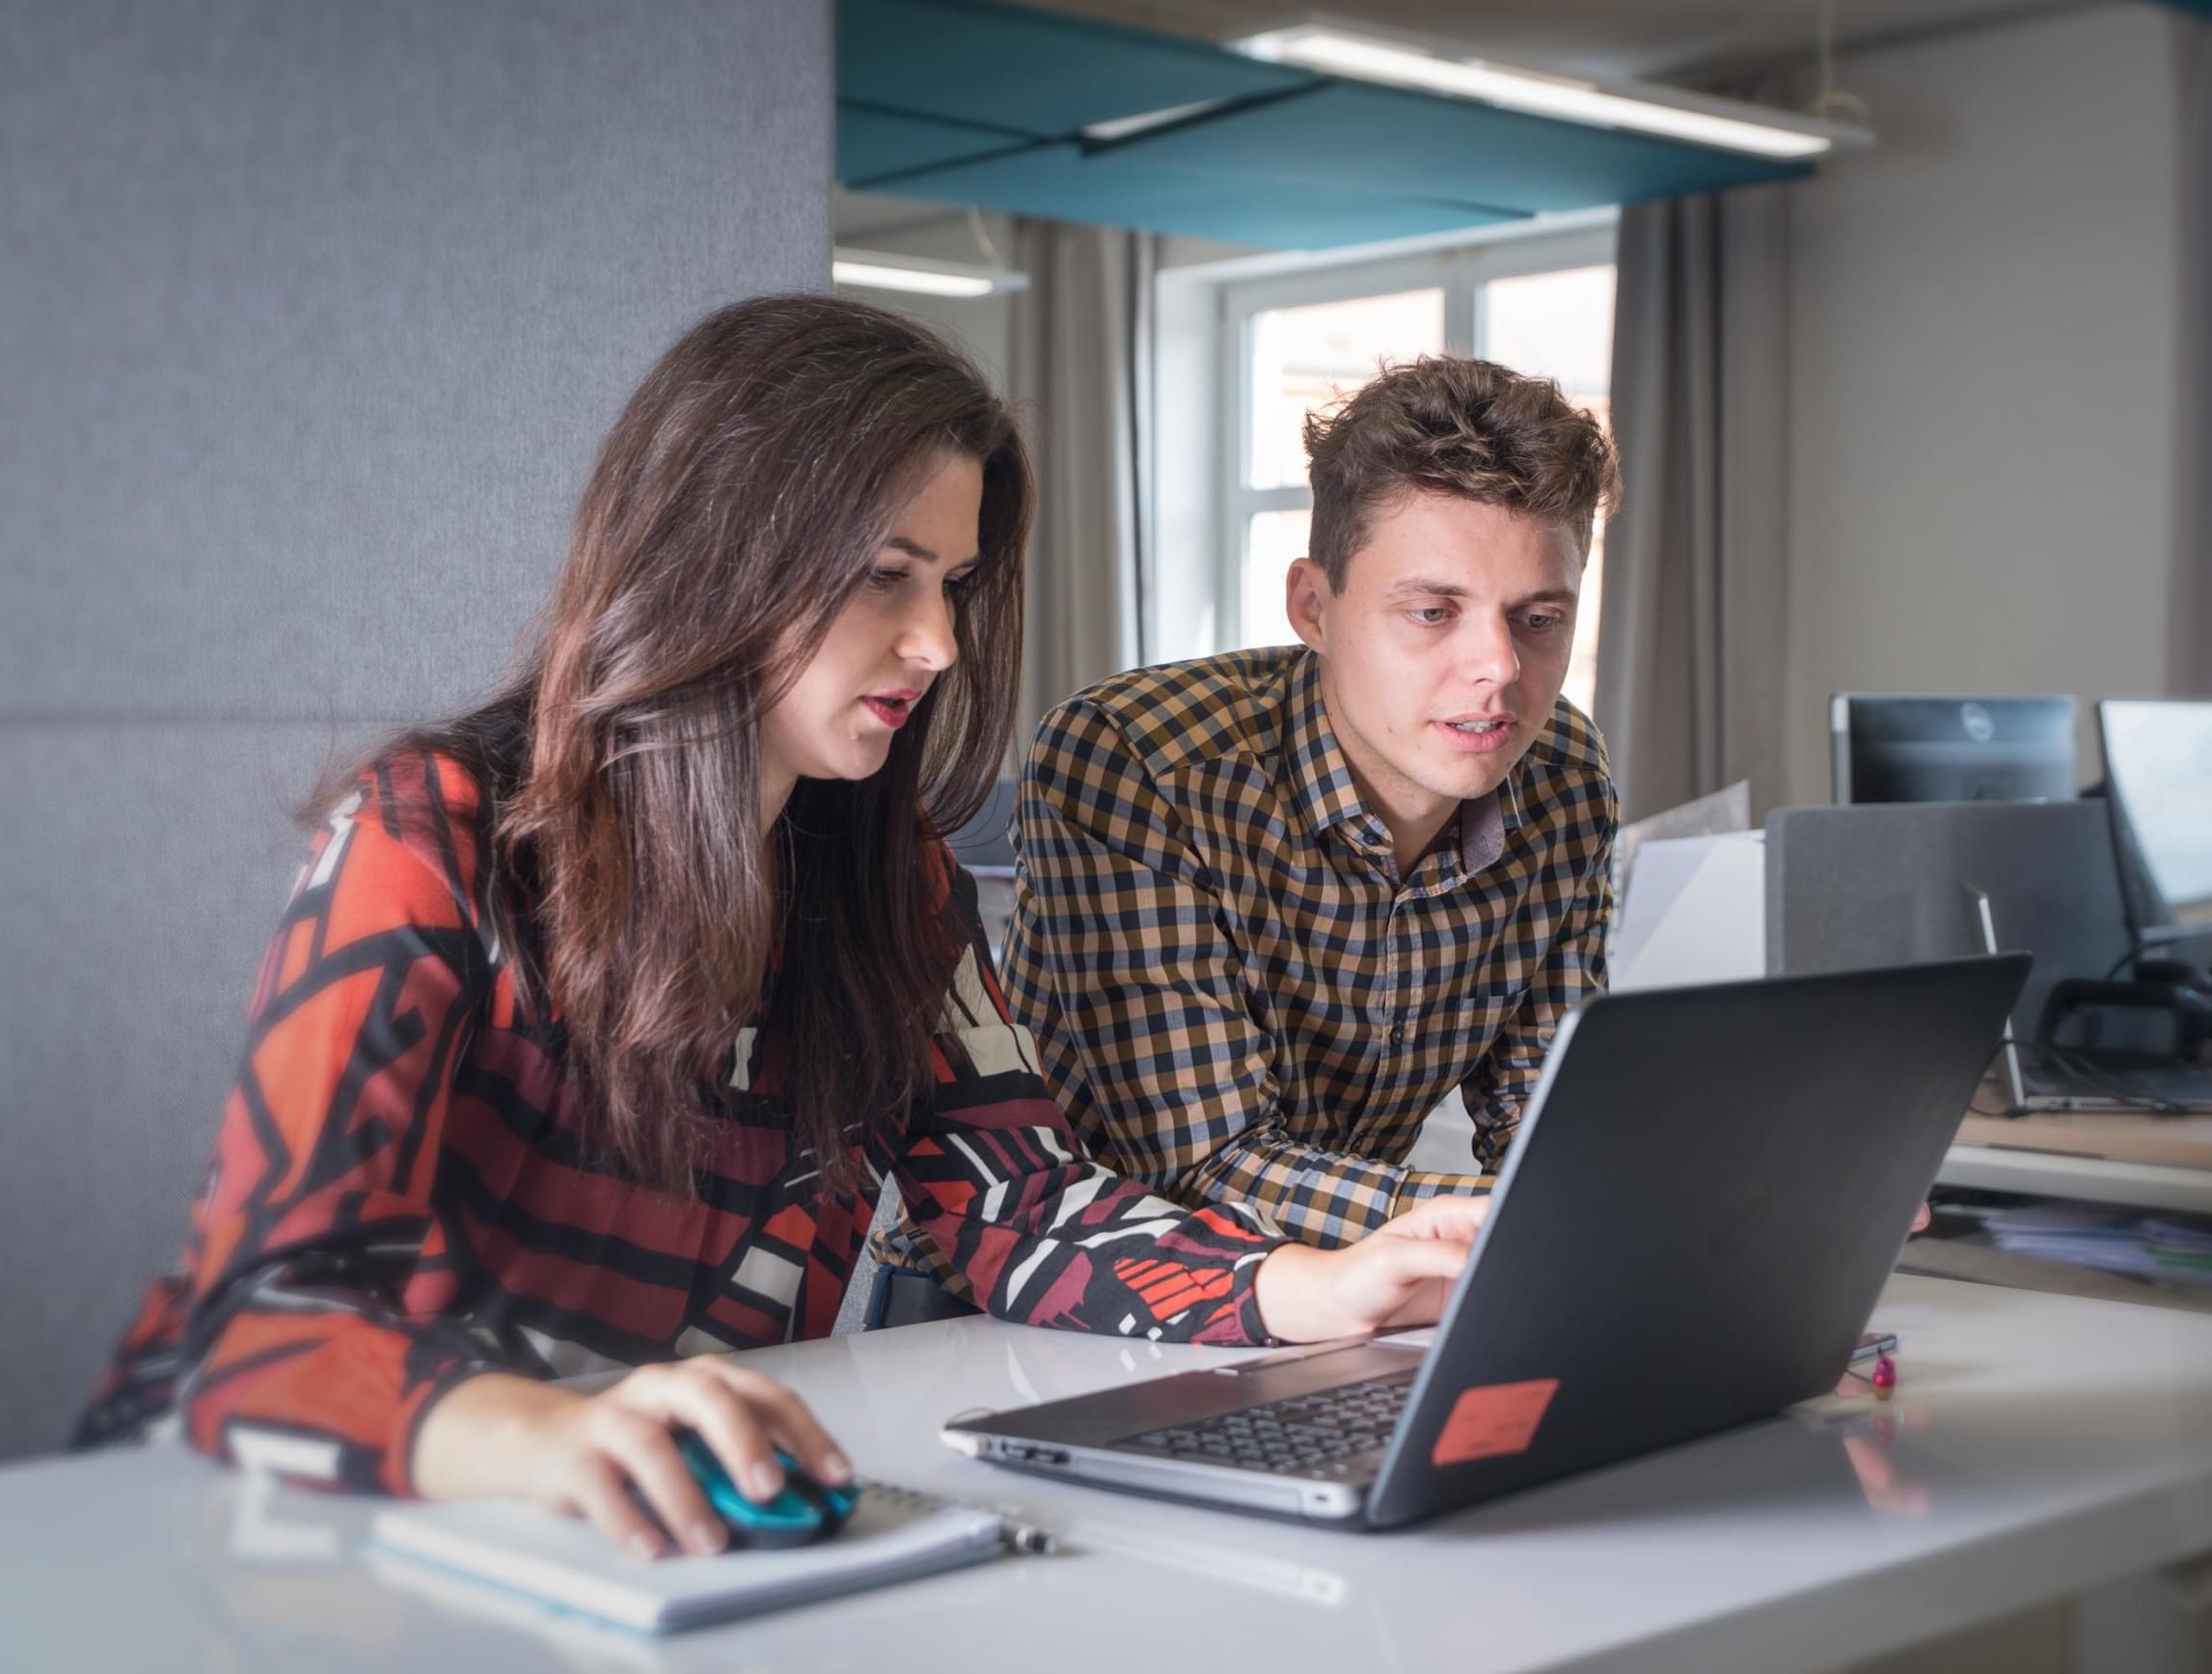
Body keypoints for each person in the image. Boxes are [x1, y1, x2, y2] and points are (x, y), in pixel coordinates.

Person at [71, 296, 1484, 1559]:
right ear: (719, 555)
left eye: (953, 584)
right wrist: (545, 1432)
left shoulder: (891, 882)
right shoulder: (425, 835)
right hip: (299, 1535)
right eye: (886, 574)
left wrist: (1316, 1284)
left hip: (653, 1550)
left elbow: (1019, 1200)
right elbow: (257, 1325)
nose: (936, 643)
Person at [987, 356, 1621, 1263]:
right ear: (1313, 607)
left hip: (1340, 1288)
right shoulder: (1138, 763)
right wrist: (1529, 1212)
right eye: (1435, 612)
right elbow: (1201, 1165)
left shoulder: (1563, 778)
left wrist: (1680, 1186)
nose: (1502, 669)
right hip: (1031, 1305)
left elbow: (1547, 1117)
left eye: (1539, 619)